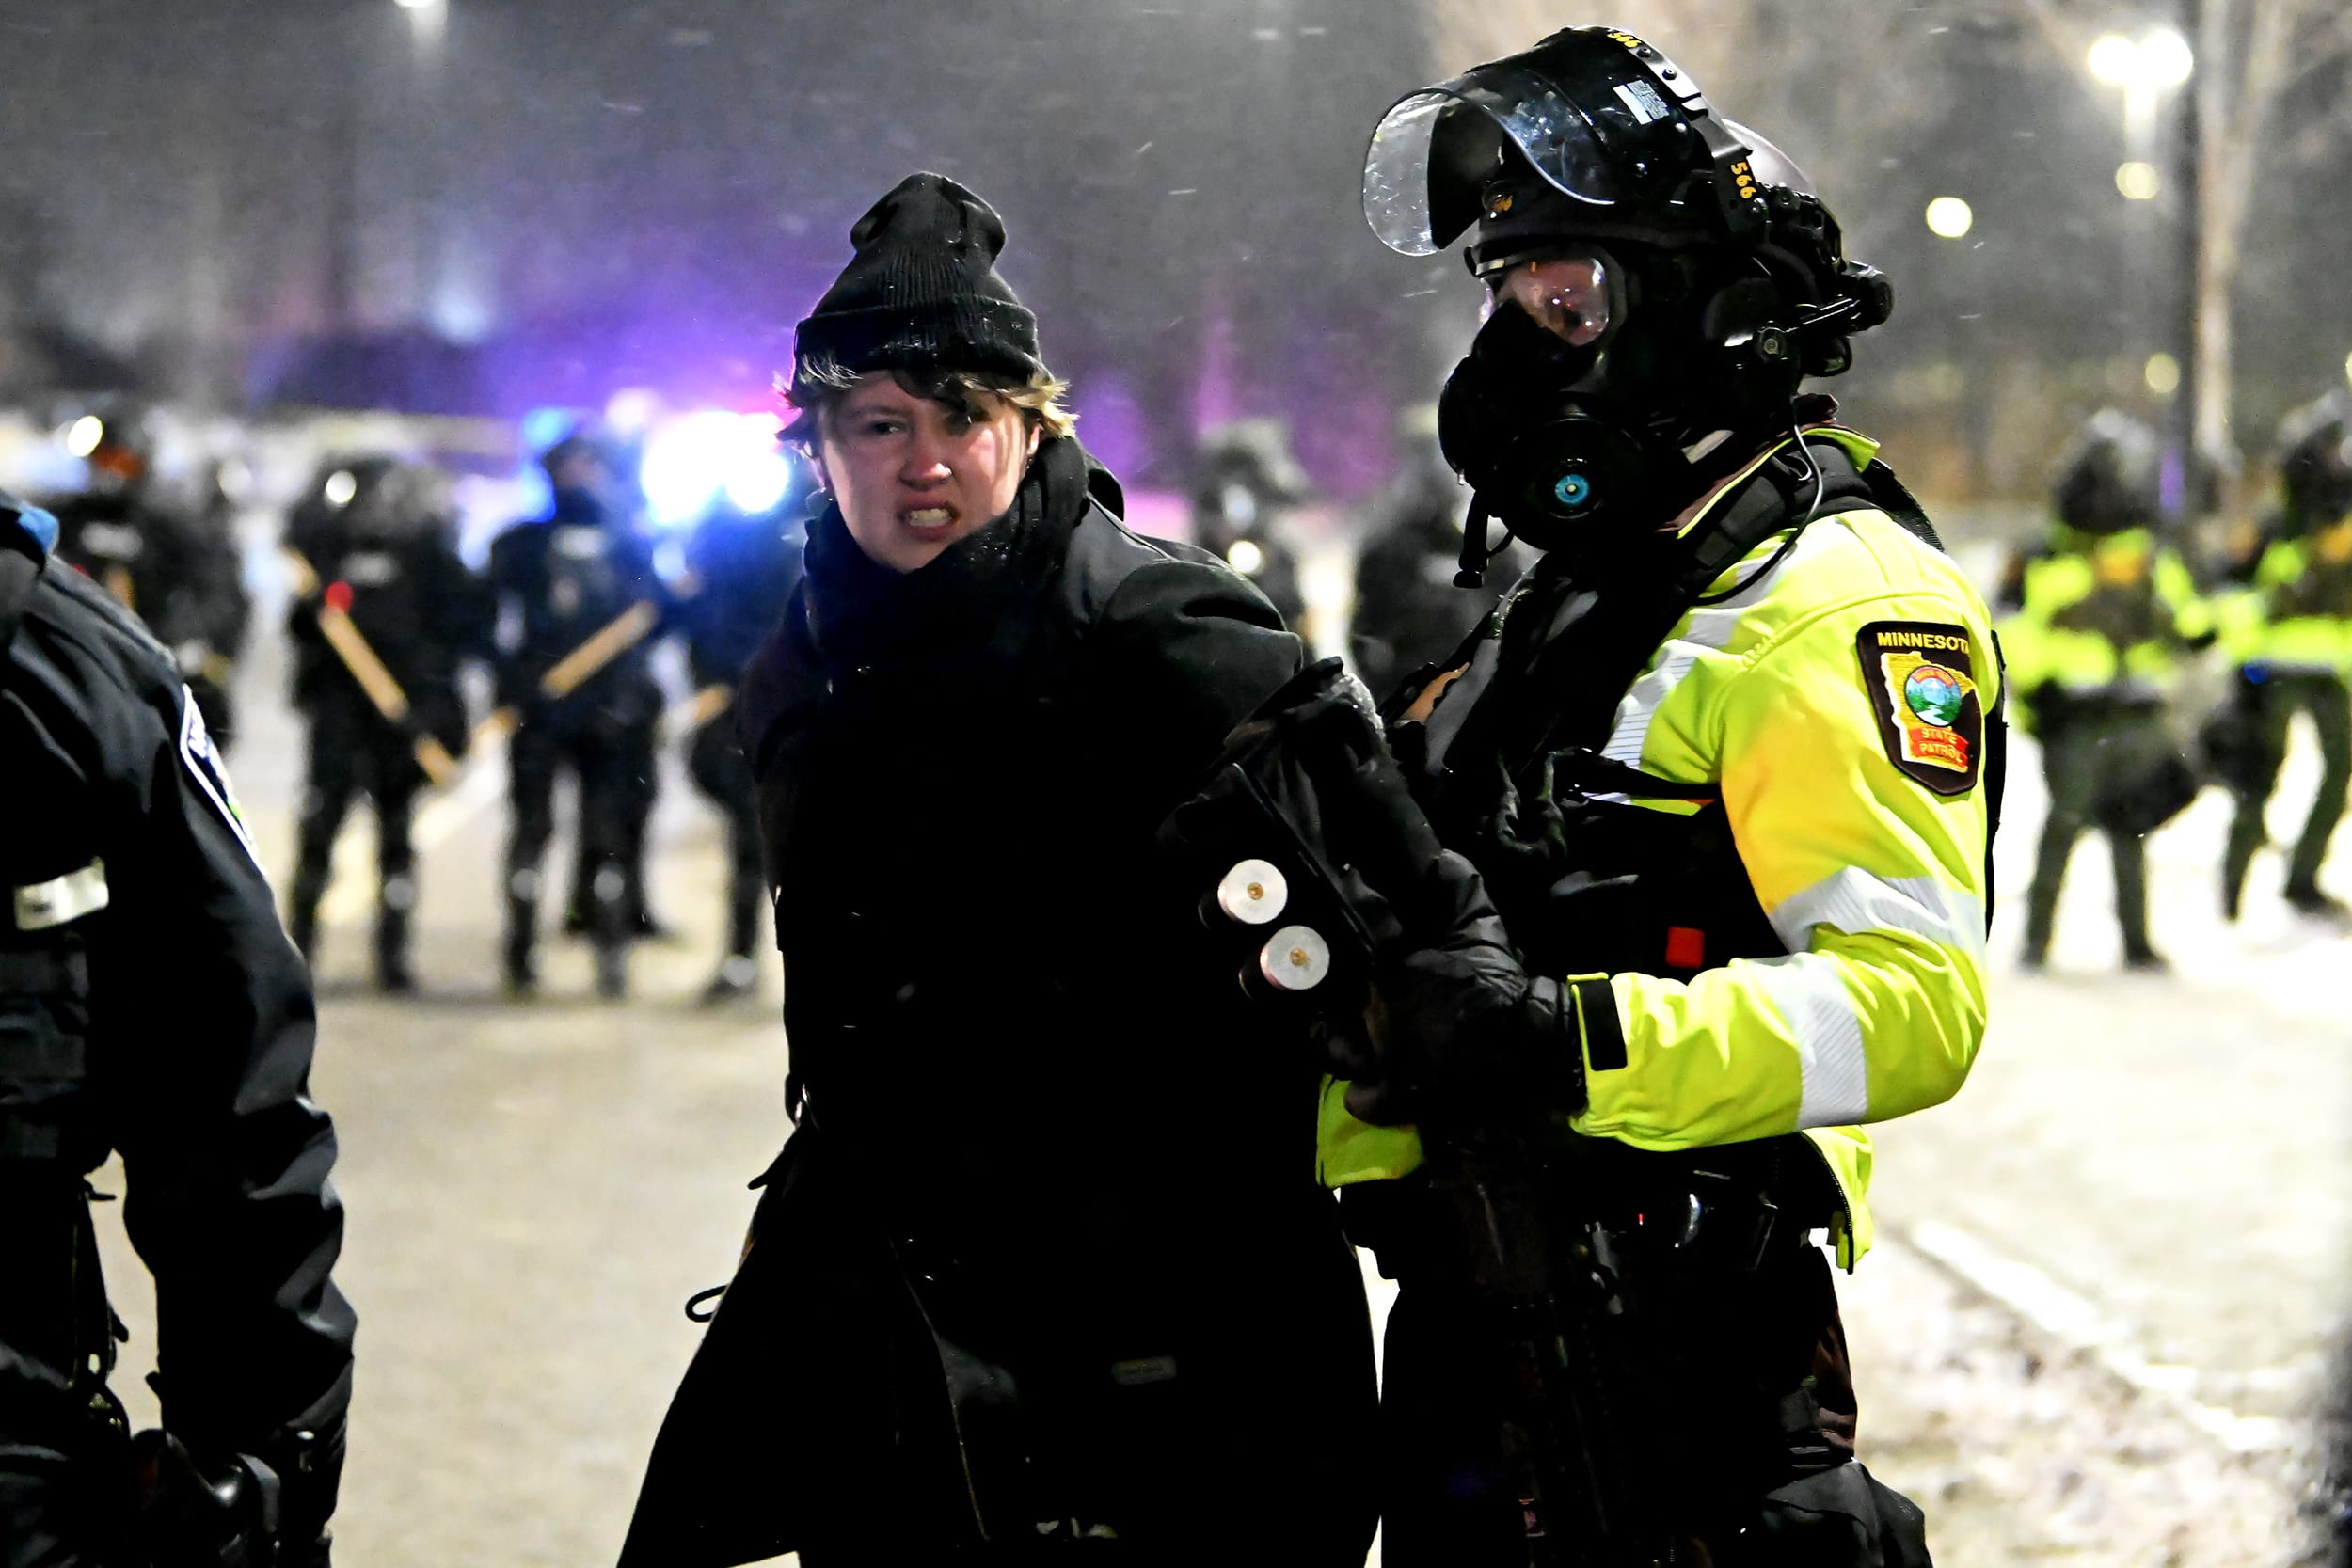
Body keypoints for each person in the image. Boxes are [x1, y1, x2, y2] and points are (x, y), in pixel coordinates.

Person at [1213, 28, 1995, 1561]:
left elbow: (1914, 1005)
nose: (1520, 348)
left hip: (1680, 1374)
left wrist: (1561, 1042)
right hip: (1471, 1322)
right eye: (1505, 300)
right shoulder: (1589, 587)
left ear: (1701, 302)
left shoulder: (1833, 593)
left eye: (1566, 300)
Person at [619, 172, 1376, 1567]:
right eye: (880, 423)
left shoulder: (1169, 633)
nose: (926, 461)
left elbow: (1392, 950)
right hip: (911, 1330)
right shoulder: (808, 653)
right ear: (819, 450)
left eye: (964, 415)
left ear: (1031, 427)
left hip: (1172, 1352)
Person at [0, 492, 355, 1566]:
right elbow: (237, 1128)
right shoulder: (74, 662)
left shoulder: (70, 673)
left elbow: (229, 1111)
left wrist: (261, 1482)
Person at [1997, 410, 2209, 971]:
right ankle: (2038, 940)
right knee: (2065, 826)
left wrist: (2181, 624)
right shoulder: (2046, 552)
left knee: (2128, 826)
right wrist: (2043, 684)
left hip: (2133, 708)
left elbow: (2185, 619)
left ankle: (2134, 941)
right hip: (2075, 711)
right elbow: (2015, 627)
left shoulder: (2145, 554)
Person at [283, 456, 480, 991]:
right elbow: (300, 629)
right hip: (338, 712)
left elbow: (459, 631)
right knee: (320, 826)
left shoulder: (429, 556)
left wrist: (432, 703)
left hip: (399, 716)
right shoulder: (327, 552)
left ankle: (393, 957)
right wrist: (312, 611)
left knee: (395, 834)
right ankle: (296, 950)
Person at [485, 435, 670, 999]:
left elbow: (656, 618)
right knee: (534, 830)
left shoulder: (628, 545)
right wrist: (516, 686)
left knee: (603, 832)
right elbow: (482, 623)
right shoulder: (524, 545)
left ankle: (608, 952)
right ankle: (521, 952)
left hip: (603, 711)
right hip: (546, 709)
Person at [2214, 392, 2352, 922]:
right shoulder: (2279, 530)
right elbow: (2237, 592)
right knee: (2262, 776)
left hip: (2327, 667)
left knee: (2336, 771)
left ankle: (2301, 878)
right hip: (2274, 669)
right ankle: (2234, 889)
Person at [674, 488, 808, 1003]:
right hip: (745, 714)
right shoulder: (727, 557)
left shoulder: (800, 549)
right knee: (754, 841)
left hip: (791, 716)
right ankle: (743, 957)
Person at [46, 412, 250, 751]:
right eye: (103, 460)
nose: (111, 473)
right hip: (76, 663)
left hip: (150, 663)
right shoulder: (62, 521)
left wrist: (183, 641)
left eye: (121, 462)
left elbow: (217, 590)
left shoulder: (171, 525)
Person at [1348, 404, 1528, 698]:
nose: (1431, 470)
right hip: (1411, 688)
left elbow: (1518, 616)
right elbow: (1367, 630)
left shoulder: (1490, 544)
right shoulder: (1388, 549)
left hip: (1477, 689)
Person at [1186, 419, 1311, 633]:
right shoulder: (1212, 480)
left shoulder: (1261, 473)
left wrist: (1293, 497)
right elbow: (1202, 510)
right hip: (1218, 549)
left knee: (1284, 570)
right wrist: (1214, 528)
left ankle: (1298, 631)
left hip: (1257, 542)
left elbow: (1287, 489)